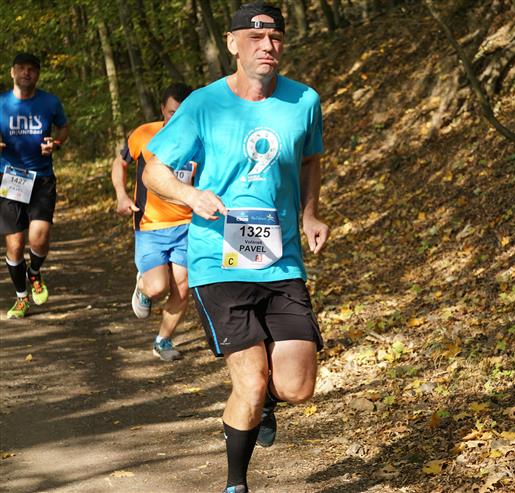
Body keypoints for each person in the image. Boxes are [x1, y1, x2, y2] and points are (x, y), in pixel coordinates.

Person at [143, 3, 328, 491]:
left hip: (281, 260)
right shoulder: (202, 104)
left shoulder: (304, 101)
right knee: (249, 381)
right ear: (232, 44)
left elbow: (311, 160)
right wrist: (190, 196)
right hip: (217, 260)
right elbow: (154, 170)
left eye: (276, 38)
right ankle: (235, 483)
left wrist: (310, 213)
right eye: (255, 38)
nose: (268, 47)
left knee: (297, 388)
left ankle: (267, 402)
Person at [110, 83, 194, 361]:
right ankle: (144, 287)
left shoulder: (201, 139)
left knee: (182, 286)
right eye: (171, 113)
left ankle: (163, 341)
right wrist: (122, 195)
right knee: (158, 286)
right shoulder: (144, 134)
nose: (177, 119)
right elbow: (119, 163)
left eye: (183, 114)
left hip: (188, 225)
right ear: (162, 110)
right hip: (150, 225)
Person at [1, 53, 69, 319]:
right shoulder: (1, 103)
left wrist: (56, 143)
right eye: (21, 68)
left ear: (37, 74)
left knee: (39, 238)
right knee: (15, 244)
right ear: (12, 72)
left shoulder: (50, 102)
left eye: (31, 69)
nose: (26, 73)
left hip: (41, 178)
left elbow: (63, 128)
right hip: (10, 177)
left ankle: (35, 272)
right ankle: (21, 298)